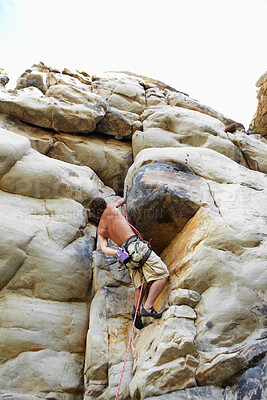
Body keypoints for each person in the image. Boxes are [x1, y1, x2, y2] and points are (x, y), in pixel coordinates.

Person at [89, 196, 169, 329]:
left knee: (140, 284)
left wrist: (119, 253)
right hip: (136, 247)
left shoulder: (101, 229)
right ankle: (147, 308)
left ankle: (136, 311)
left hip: (126, 255)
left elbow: (103, 249)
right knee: (163, 274)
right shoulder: (111, 207)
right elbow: (122, 201)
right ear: (104, 204)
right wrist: (126, 197)